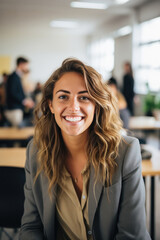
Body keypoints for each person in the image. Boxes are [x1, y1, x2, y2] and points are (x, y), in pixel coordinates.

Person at [20, 58, 150, 240]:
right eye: (63, 97)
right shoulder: (36, 151)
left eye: (84, 97)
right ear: (50, 105)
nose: (73, 107)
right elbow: (31, 227)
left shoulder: (125, 152)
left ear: (96, 105)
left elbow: (131, 235)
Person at [4, 57, 34, 127]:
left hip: (17, 109)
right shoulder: (13, 76)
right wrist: (25, 101)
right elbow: (13, 93)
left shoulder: (18, 76)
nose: (27, 67)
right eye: (26, 65)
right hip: (14, 110)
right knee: (16, 134)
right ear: (21, 64)